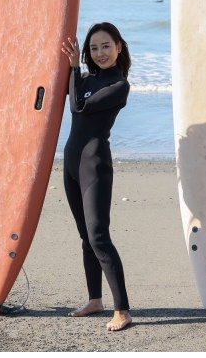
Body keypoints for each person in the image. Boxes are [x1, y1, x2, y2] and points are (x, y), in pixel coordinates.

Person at [60, 22, 133, 332]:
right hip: (71, 164)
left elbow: (78, 106)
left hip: (95, 166)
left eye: (106, 46)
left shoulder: (119, 85)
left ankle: (123, 310)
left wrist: (74, 66)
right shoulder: (86, 78)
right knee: (85, 238)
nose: (100, 52)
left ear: (118, 46)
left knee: (99, 236)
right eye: (94, 48)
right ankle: (95, 299)